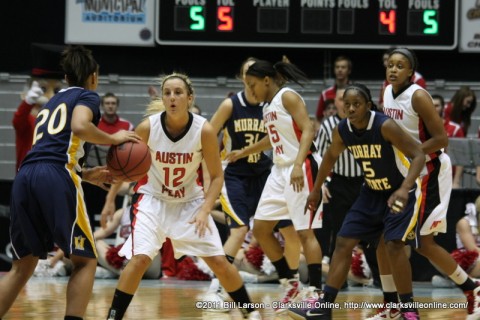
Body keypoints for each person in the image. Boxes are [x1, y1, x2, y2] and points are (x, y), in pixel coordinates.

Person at [104, 72, 261, 320]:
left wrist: (205, 210)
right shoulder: (148, 126)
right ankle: (113, 316)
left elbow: (217, 177)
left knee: (219, 262)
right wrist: (110, 199)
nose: (172, 97)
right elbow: (125, 167)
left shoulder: (204, 130)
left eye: (178, 92)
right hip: (152, 200)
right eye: (167, 93)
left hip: (190, 202)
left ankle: (251, 313)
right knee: (139, 259)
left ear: (190, 98)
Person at [0, 45, 140, 320]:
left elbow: (52, 148)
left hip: (26, 176)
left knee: (22, 267)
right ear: (94, 77)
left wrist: (85, 174)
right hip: (54, 175)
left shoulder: (50, 103)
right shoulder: (87, 96)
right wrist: (115, 138)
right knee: (86, 260)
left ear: (65, 77)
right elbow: (79, 126)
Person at [289, 83, 426, 320]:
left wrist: (404, 189)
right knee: (343, 242)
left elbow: (419, 155)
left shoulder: (385, 126)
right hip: (371, 192)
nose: (351, 108)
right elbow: (330, 158)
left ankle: (409, 311)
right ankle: (325, 308)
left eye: (357, 104)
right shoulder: (343, 130)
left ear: (368, 106)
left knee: (393, 247)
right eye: (347, 104)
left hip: (399, 191)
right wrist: (315, 190)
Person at [378, 47, 480, 318]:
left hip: (430, 172)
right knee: (393, 241)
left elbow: (442, 139)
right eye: (390, 64)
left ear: (411, 72)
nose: (393, 69)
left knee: (421, 243)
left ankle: (468, 290)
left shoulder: (418, 96)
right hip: (405, 172)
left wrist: (413, 154)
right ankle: (397, 304)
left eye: (400, 65)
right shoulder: (387, 92)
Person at [226, 59, 323, 309]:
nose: (251, 90)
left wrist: (299, 164)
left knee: (304, 232)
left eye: (253, 84)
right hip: (279, 171)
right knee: (260, 228)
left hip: (300, 166)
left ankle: (315, 291)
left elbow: (308, 130)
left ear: (266, 80)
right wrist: (244, 151)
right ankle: (290, 283)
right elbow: (272, 139)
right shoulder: (268, 106)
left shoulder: (288, 96)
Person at [208, 57, 302, 309]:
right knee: (239, 230)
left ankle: (291, 287)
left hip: (264, 173)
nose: (252, 81)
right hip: (235, 175)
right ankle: (217, 287)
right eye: (247, 73)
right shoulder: (231, 104)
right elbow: (208, 134)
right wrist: (207, 172)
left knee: (289, 232)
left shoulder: (271, 103)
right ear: (242, 77)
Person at [315, 87, 364, 275]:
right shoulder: (328, 126)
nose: (346, 102)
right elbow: (320, 156)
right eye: (341, 99)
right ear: (335, 103)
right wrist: (324, 183)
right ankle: (338, 278)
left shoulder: (365, 123)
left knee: (370, 231)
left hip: (364, 182)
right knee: (338, 232)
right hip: (339, 182)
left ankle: (377, 276)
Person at [12, 43, 65, 172]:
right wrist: (28, 102)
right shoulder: (29, 121)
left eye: (56, 90)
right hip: (29, 179)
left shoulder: (61, 123)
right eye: (43, 89)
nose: (51, 96)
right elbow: (18, 121)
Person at [377, 47, 426, 112]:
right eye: (390, 64)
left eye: (399, 66)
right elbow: (380, 104)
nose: (384, 63)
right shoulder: (386, 85)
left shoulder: (418, 82)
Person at [432, 94, 465, 189]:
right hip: (427, 177)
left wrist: (456, 181)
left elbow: (461, 157)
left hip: (448, 177)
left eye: (437, 106)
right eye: (431, 105)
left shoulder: (455, 128)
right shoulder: (420, 127)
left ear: (443, 108)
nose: (434, 108)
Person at [315, 55, 352, 122]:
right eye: (337, 67)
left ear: (349, 70)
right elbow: (318, 118)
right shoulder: (325, 94)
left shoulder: (355, 92)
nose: (340, 70)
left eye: (343, 67)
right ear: (334, 70)